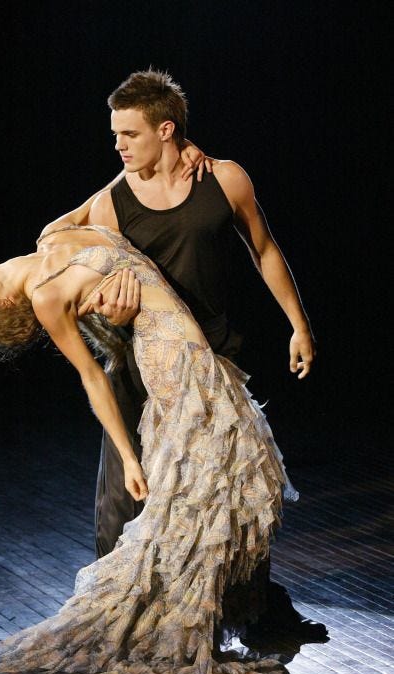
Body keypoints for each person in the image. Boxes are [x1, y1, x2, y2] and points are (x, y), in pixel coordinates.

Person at [0, 222, 296, 674]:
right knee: (212, 498)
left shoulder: (53, 235)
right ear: (4, 304)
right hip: (176, 379)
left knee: (235, 486)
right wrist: (128, 457)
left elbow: (115, 188)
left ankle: (201, 614)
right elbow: (92, 377)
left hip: (200, 365)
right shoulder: (46, 297)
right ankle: (173, 625)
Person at [37, 69, 326, 645]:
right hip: (140, 368)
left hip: (212, 361)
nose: (118, 146)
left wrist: (299, 325)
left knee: (232, 496)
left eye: (130, 134)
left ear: (166, 130)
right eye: (115, 135)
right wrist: (108, 298)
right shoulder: (114, 202)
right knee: (123, 501)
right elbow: (51, 238)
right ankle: (119, 623)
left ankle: (253, 612)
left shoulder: (224, 179)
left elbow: (264, 249)